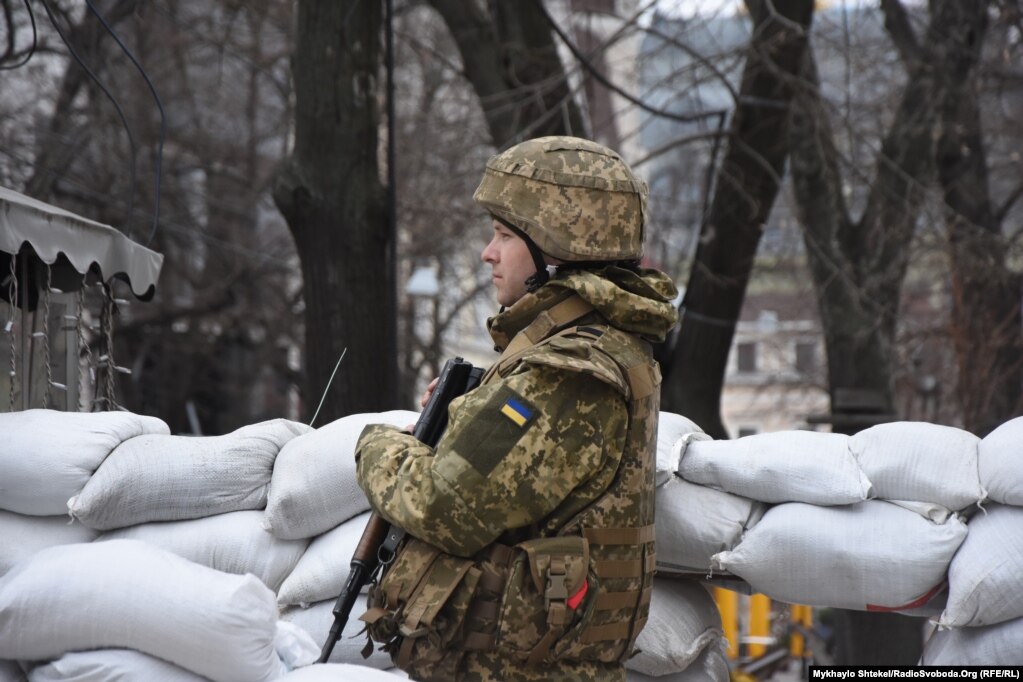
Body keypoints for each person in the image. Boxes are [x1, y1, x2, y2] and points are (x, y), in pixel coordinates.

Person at [355, 136, 679, 682]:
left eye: (505, 235)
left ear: (556, 249)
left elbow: (442, 504)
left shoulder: (568, 372)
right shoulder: (594, 348)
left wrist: (376, 444)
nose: (488, 252)